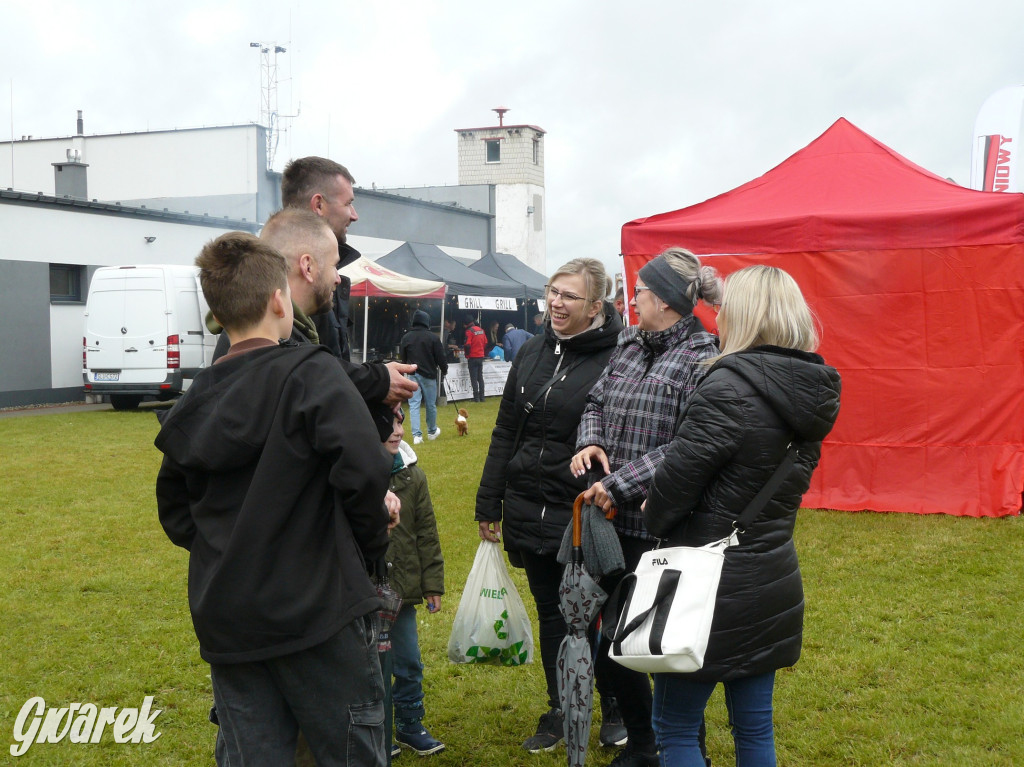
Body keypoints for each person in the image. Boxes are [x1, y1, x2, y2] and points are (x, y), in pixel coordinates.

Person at [156, 231, 393, 766]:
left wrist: (230, 547)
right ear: (278, 299)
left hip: (229, 611)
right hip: (318, 610)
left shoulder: (197, 396)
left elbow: (176, 510)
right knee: (351, 751)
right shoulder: (312, 372)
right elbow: (365, 468)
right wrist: (365, 545)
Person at [644, 266, 841, 766]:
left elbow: (671, 490)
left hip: (703, 587)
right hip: (770, 577)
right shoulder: (815, 391)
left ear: (745, 315)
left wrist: (652, 508)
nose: (719, 316)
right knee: (754, 729)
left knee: (676, 728)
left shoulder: (727, 386)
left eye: (726, 307)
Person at [570, 247, 723, 767]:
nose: (630, 299)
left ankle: (684, 744)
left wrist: (618, 484)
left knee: (663, 645)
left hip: (663, 529)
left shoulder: (705, 354)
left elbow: (688, 445)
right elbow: (594, 402)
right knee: (614, 640)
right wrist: (588, 442)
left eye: (637, 291)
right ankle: (642, 742)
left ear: (660, 299)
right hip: (612, 525)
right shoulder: (629, 345)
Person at [476, 258, 625, 753]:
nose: (556, 303)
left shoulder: (617, 356)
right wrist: (489, 498)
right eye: (552, 292)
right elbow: (505, 429)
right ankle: (562, 707)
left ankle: (614, 705)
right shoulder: (534, 351)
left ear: (595, 306)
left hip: (582, 510)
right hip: (526, 504)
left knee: (596, 614)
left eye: (569, 296)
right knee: (552, 615)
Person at [210, 207, 418, 439]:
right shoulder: (268, 340)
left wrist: (375, 390)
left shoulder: (275, 332)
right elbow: (309, 380)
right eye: (334, 265)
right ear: (307, 267)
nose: (339, 278)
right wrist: (377, 381)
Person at [383, 410, 446, 757]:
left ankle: (409, 724)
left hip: (402, 592)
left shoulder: (413, 476)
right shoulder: (353, 473)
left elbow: (427, 532)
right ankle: (377, 731)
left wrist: (431, 584)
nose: (397, 431)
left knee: (408, 663)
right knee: (376, 667)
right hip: (364, 594)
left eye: (400, 422)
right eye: (388, 423)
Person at [281, 156, 360, 361]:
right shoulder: (298, 289)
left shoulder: (278, 278)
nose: (354, 215)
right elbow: (317, 377)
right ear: (318, 205)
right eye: (348, 203)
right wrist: (379, 379)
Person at [400, 310, 448, 445]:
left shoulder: (406, 337)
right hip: (429, 375)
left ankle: (417, 436)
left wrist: (406, 369)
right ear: (427, 322)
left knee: (414, 405)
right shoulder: (433, 338)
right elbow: (441, 356)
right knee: (430, 404)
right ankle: (432, 431)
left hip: (412, 374)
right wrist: (444, 370)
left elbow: (403, 358)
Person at [464, 314, 487, 402]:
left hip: (473, 357)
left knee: (474, 378)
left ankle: (476, 398)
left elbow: (467, 345)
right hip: (480, 356)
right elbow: (485, 343)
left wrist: (467, 355)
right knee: (480, 377)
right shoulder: (481, 330)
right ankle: (482, 397)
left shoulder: (469, 331)